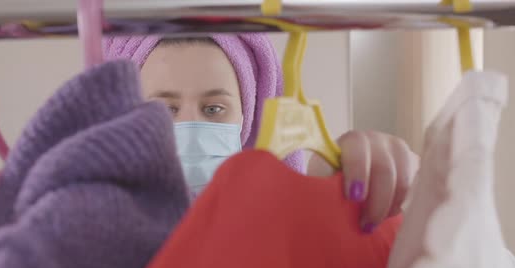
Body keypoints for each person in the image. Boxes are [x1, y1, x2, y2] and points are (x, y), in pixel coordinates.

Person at [103, 33, 419, 233]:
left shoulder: (284, 231)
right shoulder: (88, 237)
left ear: (249, 116)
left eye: (214, 108)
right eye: (164, 109)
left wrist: (339, 189)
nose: (191, 131)